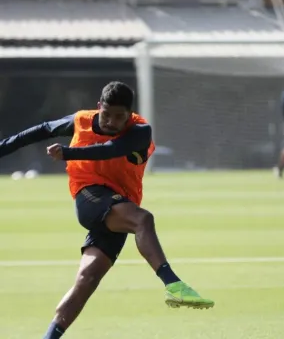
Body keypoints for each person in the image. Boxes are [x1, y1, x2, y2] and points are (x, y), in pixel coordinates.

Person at [0, 81, 214, 339]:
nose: (111, 121)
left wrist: (67, 152)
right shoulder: (82, 120)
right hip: (90, 195)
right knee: (143, 220)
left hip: (119, 203)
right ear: (99, 106)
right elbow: (41, 130)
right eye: (107, 114)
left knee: (87, 280)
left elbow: (110, 150)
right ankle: (173, 285)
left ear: (130, 114)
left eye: (119, 117)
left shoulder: (140, 131)